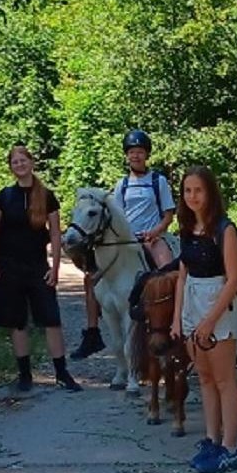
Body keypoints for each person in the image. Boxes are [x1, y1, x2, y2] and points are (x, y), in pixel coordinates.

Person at [70, 129, 177, 360]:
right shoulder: (122, 184)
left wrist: (155, 232)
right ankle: (92, 332)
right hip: (127, 239)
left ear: (146, 155)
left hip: (153, 238)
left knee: (168, 274)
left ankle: (172, 325)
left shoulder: (158, 181)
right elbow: (116, 216)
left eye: (139, 152)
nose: (135, 156)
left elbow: (168, 215)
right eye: (132, 152)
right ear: (126, 156)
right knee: (93, 278)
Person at [0, 145, 82, 392]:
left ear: (31, 162)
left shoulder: (47, 196)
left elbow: (56, 235)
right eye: (15, 162)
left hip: (38, 265)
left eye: (23, 160)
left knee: (51, 319)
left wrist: (55, 267)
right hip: (9, 266)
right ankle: (25, 375)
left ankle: (62, 373)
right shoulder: (4, 196)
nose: (20, 165)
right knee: (17, 322)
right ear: (11, 167)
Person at [170, 166, 237, 473]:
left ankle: (230, 448)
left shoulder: (225, 230)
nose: (192, 196)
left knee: (225, 379)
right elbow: (182, 276)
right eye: (187, 190)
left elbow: (234, 278)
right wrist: (177, 318)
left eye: (198, 190)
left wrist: (211, 320)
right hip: (192, 303)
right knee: (204, 378)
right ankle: (211, 440)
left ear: (210, 192)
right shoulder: (186, 229)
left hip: (218, 305)